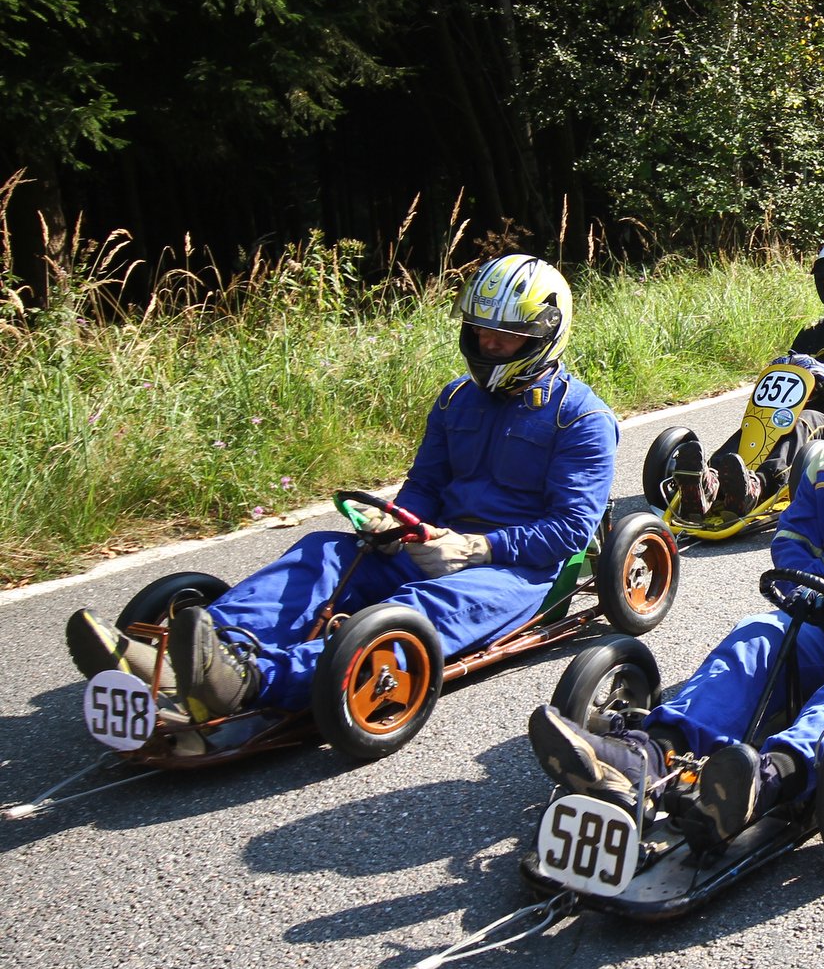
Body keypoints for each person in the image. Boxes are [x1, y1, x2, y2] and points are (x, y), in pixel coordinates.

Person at [66, 255, 619, 730]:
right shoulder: (456, 399)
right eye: (479, 330)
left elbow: (570, 530)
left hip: (511, 571)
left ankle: (252, 679)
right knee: (321, 554)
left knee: (413, 610)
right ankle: (199, 649)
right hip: (427, 543)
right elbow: (426, 484)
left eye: (506, 335)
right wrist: (398, 519)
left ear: (543, 335)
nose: (488, 343)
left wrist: (475, 548)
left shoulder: (582, 419)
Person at [527, 303, 824, 847]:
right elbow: (794, 540)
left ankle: (772, 775)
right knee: (756, 637)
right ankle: (650, 754)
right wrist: (817, 592)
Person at [674, 239, 824, 520]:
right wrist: (785, 368)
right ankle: (709, 481)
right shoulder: (814, 334)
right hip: (799, 416)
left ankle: (759, 485)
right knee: (764, 421)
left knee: (803, 422)